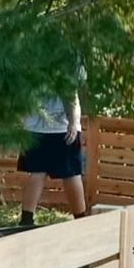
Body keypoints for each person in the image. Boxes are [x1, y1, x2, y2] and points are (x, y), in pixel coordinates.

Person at [18, 85, 86, 226]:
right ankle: (81, 221)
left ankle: (26, 221)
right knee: (71, 173)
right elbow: (70, 89)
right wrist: (73, 122)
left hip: (36, 125)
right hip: (61, 126)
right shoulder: (70, 62)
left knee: (39, 172)